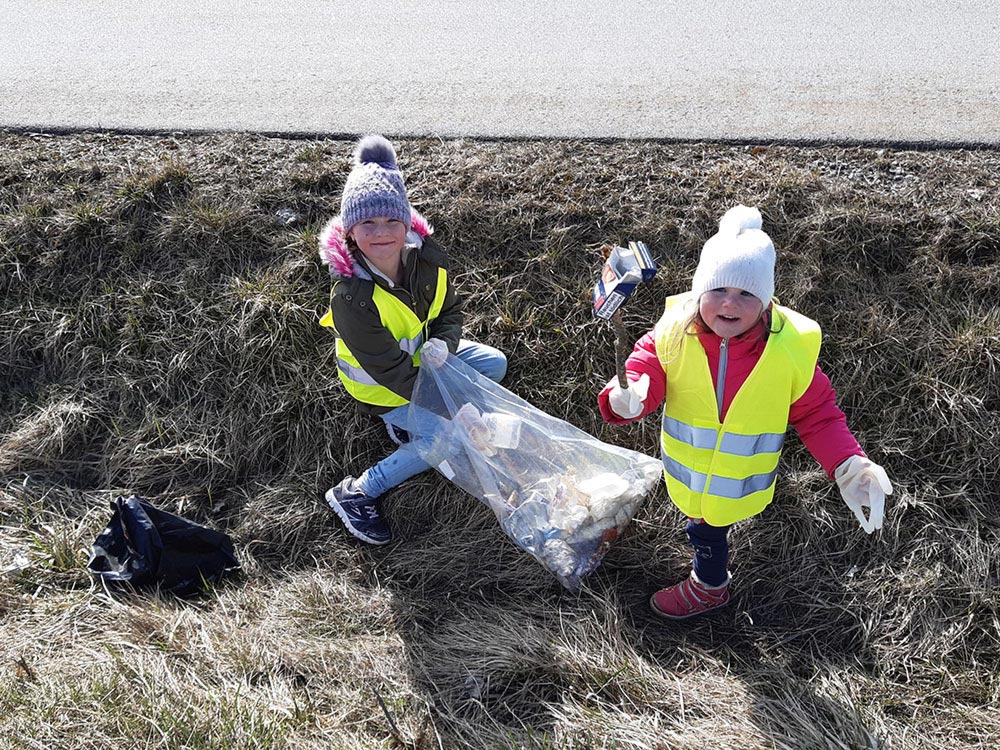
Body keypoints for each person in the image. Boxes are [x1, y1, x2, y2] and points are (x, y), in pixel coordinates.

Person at [597, 205, 892, 619]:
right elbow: (644, 368)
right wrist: (626, 395)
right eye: (718, 290)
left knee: (705, 531)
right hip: (690, 472)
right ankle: (709, 576)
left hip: (738, 481)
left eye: (746, 294)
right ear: (700, 291)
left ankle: (709, 588)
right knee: (703, 520)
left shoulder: (788, 353)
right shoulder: (671, 334)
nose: (730, 304)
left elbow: (818, 414)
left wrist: (848, 466)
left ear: (767, 300)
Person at [318, 135, 507, 545]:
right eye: (368, 223)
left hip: (426, 361)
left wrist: (444, 346)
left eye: (391, 221)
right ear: (351, 231)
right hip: (384, 389)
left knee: (495, 364)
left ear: (407, 224)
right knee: (448, 438)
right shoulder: (353, 297)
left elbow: (449, 314)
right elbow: (389, 371)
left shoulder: (427, 260)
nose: (382, 233)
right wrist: (455, 407)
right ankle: (358, 492)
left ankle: (410, 430)